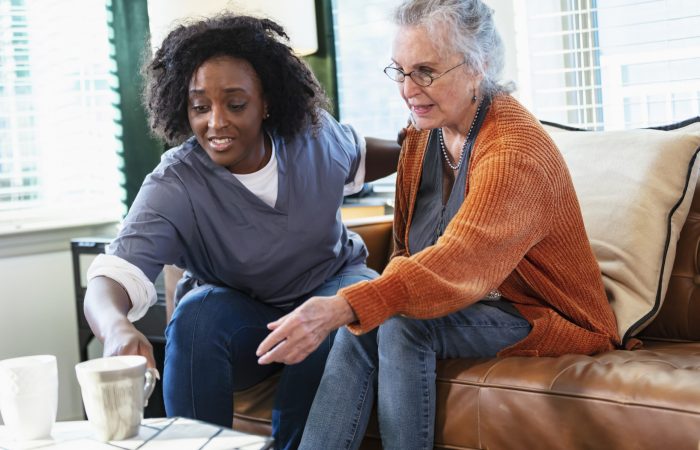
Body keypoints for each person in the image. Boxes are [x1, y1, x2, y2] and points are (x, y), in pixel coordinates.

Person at [255, 0, 621, 448]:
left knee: (400, 322)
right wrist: (365, 305)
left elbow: (458, 259)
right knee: (371, 321)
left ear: (478, 66)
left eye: (425, 71)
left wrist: (343, 304)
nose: (408, 89)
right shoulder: (423, 133)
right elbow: (409, 251)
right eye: (399, 71)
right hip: (471, 303)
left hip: (540, 313)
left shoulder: (514, 153)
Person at [82, 13, 399, 450]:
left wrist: (434, 141)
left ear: (266, 102)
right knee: (196, 315)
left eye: (235, 104)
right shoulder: (177, 183)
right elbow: (110, 278)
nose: (216, 123)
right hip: (250, 324)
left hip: (330, 282)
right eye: (199, 107)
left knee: (337, 313)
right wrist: (117, 328)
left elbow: (372, 157)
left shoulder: (313, 138)